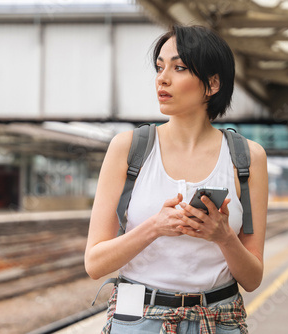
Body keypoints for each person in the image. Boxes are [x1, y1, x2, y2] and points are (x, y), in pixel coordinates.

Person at [85, 24, 268, 334]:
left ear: (212, 84)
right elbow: (95, 264)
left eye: (179, 67)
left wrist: (223, 236)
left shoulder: (248, 158)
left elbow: (252, 279)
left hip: (219, 320)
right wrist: (155, 227)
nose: (162, 78)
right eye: (160, 67)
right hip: (136, 319)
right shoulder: (128, 148)